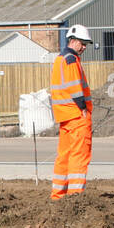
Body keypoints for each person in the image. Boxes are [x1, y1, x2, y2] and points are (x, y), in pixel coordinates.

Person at [49, 24, 95, 199]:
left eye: (86, 45)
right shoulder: (71, 60)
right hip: (76, 115)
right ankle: (75, 195)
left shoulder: (61, 59)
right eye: (82, 44)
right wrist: (83, 107)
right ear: (73, 41)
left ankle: (58, 194)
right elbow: (75, 88)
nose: (84, 48)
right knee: (79, 155)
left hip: (65, 116)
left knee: (64, 155)